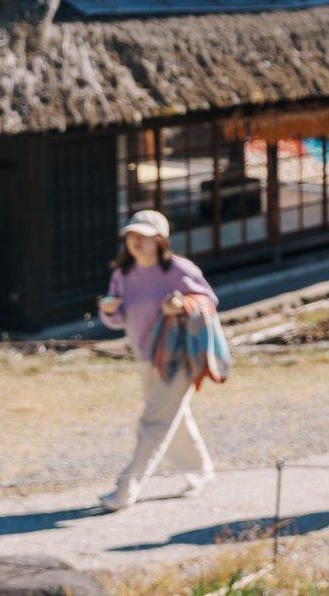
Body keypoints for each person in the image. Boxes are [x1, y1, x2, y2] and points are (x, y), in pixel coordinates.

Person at [96, 210, 219, 512]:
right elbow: (116, 320)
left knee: (153, 422)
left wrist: (181, 305)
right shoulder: (122, 275)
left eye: (143, 236)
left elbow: (208, 302)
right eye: (131, 235)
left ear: (160, 240)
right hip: (145, 358)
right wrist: (109, 310)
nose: (135, 241)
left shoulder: (179, 269)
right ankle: (201, 472)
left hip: (180, 357)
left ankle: (127, 488)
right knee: (171, 416)